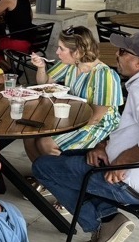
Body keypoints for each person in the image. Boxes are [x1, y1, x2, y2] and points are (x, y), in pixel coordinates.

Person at [32, 31, 139, 242]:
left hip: (128, 182)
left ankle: (102, 224)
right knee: (70, 156)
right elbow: (132, 132)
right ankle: (107, 216)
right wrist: (103, 145)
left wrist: (121, 161)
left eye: (123, 52)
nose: (117, 55)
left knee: (43, 168)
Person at [27, 26, 123, 161]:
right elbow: (45, 83)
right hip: (73, 116)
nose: (57, 52)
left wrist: (62, 127)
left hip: (98, 124)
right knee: (29, 138)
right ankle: (43, 175)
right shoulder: (71, 64)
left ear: (77, 52)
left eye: (62, 49)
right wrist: (41, 67)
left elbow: (96, 117)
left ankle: (59, 176)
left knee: (46, 143)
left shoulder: (104, 75)